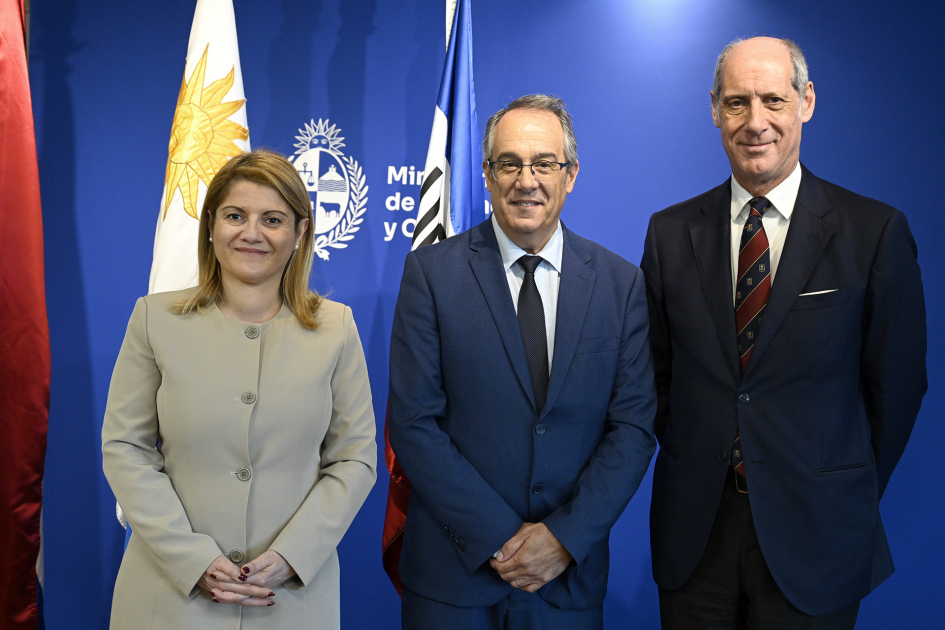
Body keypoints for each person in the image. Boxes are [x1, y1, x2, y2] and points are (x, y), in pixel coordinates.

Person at [641, 37, 927, 628]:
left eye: (773, 99)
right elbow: (654, 381)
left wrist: (836, 483)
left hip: (819, 534)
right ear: (715, 108)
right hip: (697, 538)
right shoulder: (669, 234)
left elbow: (895, 389)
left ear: (807, 102)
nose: (756, 122)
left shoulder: (873, 231)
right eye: (738, 101)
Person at [388, 94, 657, 629]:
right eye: (508, 163)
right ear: (487, 175)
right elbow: (414, 424)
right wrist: (497, 538)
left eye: (544, 164)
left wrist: (564, 538)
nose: (525, 180)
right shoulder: (431, 275)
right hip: (453, 579)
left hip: (567, 582)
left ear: (571, 174)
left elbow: (632, 428)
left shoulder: (620, 284)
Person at [101, 149, 377, 629]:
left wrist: (295, 554)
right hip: (169, 596)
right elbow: (126, 449)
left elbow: (354, 459)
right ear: (210, 225)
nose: (252, 233)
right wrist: (191, 559)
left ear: (300, 232)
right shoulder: (154, 319)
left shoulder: (337, 328)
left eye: (273, 219)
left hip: (288, 599)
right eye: (235, 216)